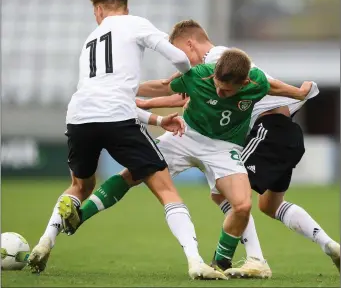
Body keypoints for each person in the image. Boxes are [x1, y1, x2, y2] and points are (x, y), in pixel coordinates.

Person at [27, 0, 226, 280]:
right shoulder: (135, 24)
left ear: (98, 9)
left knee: (80, 187)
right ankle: (195, 261)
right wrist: (190, 80)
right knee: (166, 188)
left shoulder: (90, 40)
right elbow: (182, 59)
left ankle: (45, 241)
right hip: (118, 117)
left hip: (80, 115)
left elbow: (109, 96)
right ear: (125, 6)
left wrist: (158, 121)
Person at [61, 47, 312, 276]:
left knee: (243, 205)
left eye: (226, 91)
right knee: (132, 173)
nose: (218, 92)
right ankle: (80, 216)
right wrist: (125, 89)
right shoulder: (198, 75)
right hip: (184, 136)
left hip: (224, 148)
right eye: (216, 85)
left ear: (245, 82)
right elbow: (164, 87)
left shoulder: (256, 81)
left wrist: (299, 92)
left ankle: (220, 264)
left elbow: (277, 87)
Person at [136, 19, 340, 277]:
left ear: (190, 43)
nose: (179, 60)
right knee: (270, 205)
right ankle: (329, 244)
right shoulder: (212, 74)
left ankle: (253, 260)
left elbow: (264, 81)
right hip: (285, 133)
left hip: (269, 129)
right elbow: (182, 94)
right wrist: (144, 101)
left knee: (225, 195)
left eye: (179, 52)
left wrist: (299, 92)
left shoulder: (221, 57)